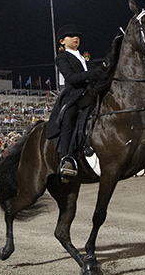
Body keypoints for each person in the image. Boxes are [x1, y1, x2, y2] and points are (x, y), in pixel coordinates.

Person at [46, 24, 108, 182]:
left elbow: (95, 72)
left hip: (92, 94)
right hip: (74, 96)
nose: (76, 38)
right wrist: (93, 73)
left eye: (77, 36)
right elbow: (71, 78)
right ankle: (65, 159)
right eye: (71, 36)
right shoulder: (62, 58)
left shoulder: (85, 55)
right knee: (69, 116)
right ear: (62, 41)